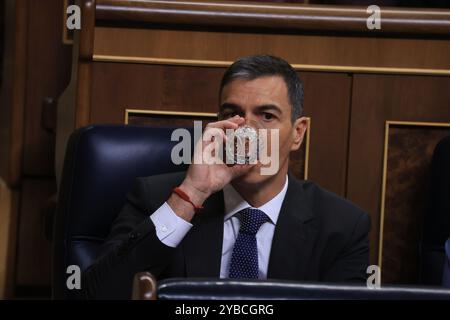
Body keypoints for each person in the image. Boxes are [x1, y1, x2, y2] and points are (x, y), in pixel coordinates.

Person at [84, 55, 371, 299]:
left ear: (298, 132)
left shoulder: (342, 227)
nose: (247, 133)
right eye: (233, 114)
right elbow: (98, 294)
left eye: (267, 116)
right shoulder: (157, 198)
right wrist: (193, 193)